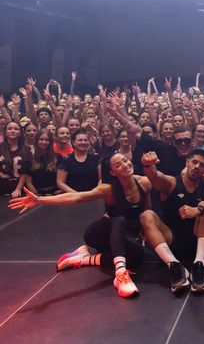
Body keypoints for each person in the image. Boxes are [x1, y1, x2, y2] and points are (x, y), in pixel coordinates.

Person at [9, 152, 152, 298]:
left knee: (136, 255)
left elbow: (146, 211)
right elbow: (77, 197)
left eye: (125, 160)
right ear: (112, 172)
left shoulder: (144, 183)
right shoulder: (108, 189)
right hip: (98, 235)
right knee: (119, 220)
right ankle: (120, 275)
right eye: (118, 165)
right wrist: (40, 200)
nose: (125, 165)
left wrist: (145, 232)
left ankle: (84, 259)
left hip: (116, 238)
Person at [139, 149, 204, 294]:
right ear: (187, 163)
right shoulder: (171, 182)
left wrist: (198, 210)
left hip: (197, 240)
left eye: (202, 165)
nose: (197, 166)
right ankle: (174, 266)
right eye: (194, 162)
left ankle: (199, 266)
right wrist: (147, 165)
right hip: (171, 240)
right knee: (146, 215)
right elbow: (155, 176)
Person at [23, 129, 62, 195]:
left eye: (47, 140)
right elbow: (29, 182)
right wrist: (36, 195)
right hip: (37, 193)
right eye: (41, 139)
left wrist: (61, 191)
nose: (44, 142)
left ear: (50, 142)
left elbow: (62, 179)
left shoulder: (58, 157)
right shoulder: (29, 159)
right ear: (36, 141)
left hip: (55, 193)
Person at [0, 122, 31, 197]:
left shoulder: (26, 149)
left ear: (20, 133)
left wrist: (18, 189)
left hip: (19, 189)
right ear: (5, 133)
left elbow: (24, 172)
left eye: (16, 129)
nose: (13, 131)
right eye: (9, 129)